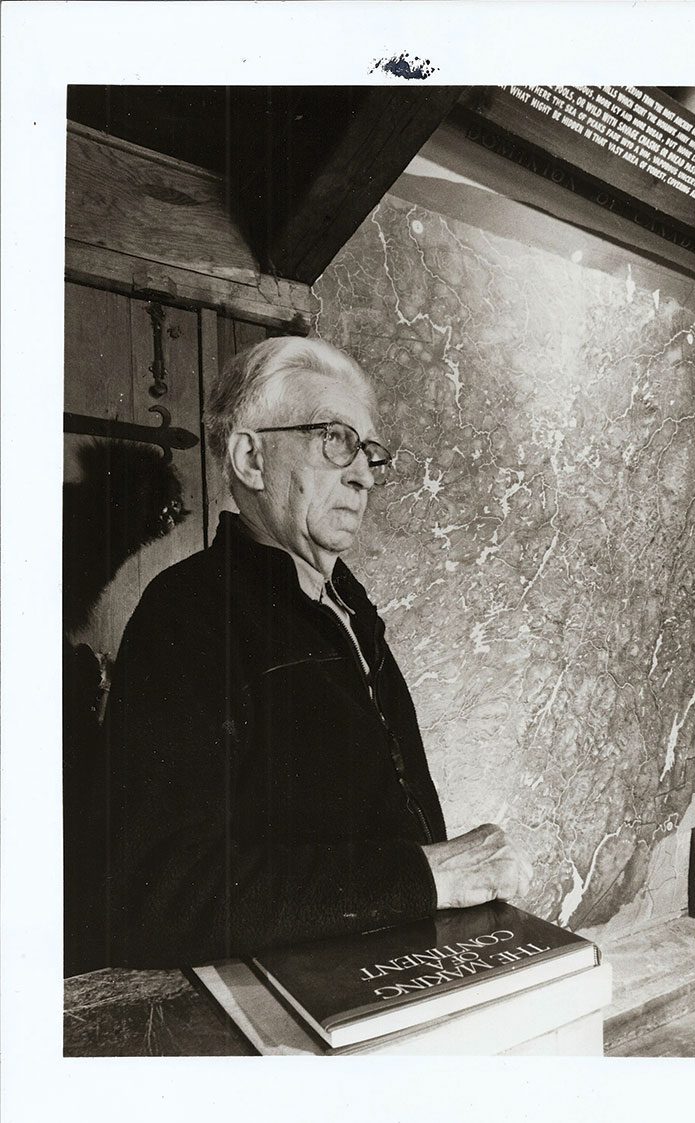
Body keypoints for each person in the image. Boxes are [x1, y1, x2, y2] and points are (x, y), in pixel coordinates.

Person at [102, 336, 532, 967]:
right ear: (251, 457)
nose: (361, 474)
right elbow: (159, 894)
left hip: (395, 975)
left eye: (368, 451)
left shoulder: (348, 604)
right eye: (335, 440)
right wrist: (421, 878)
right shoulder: (187, 614)